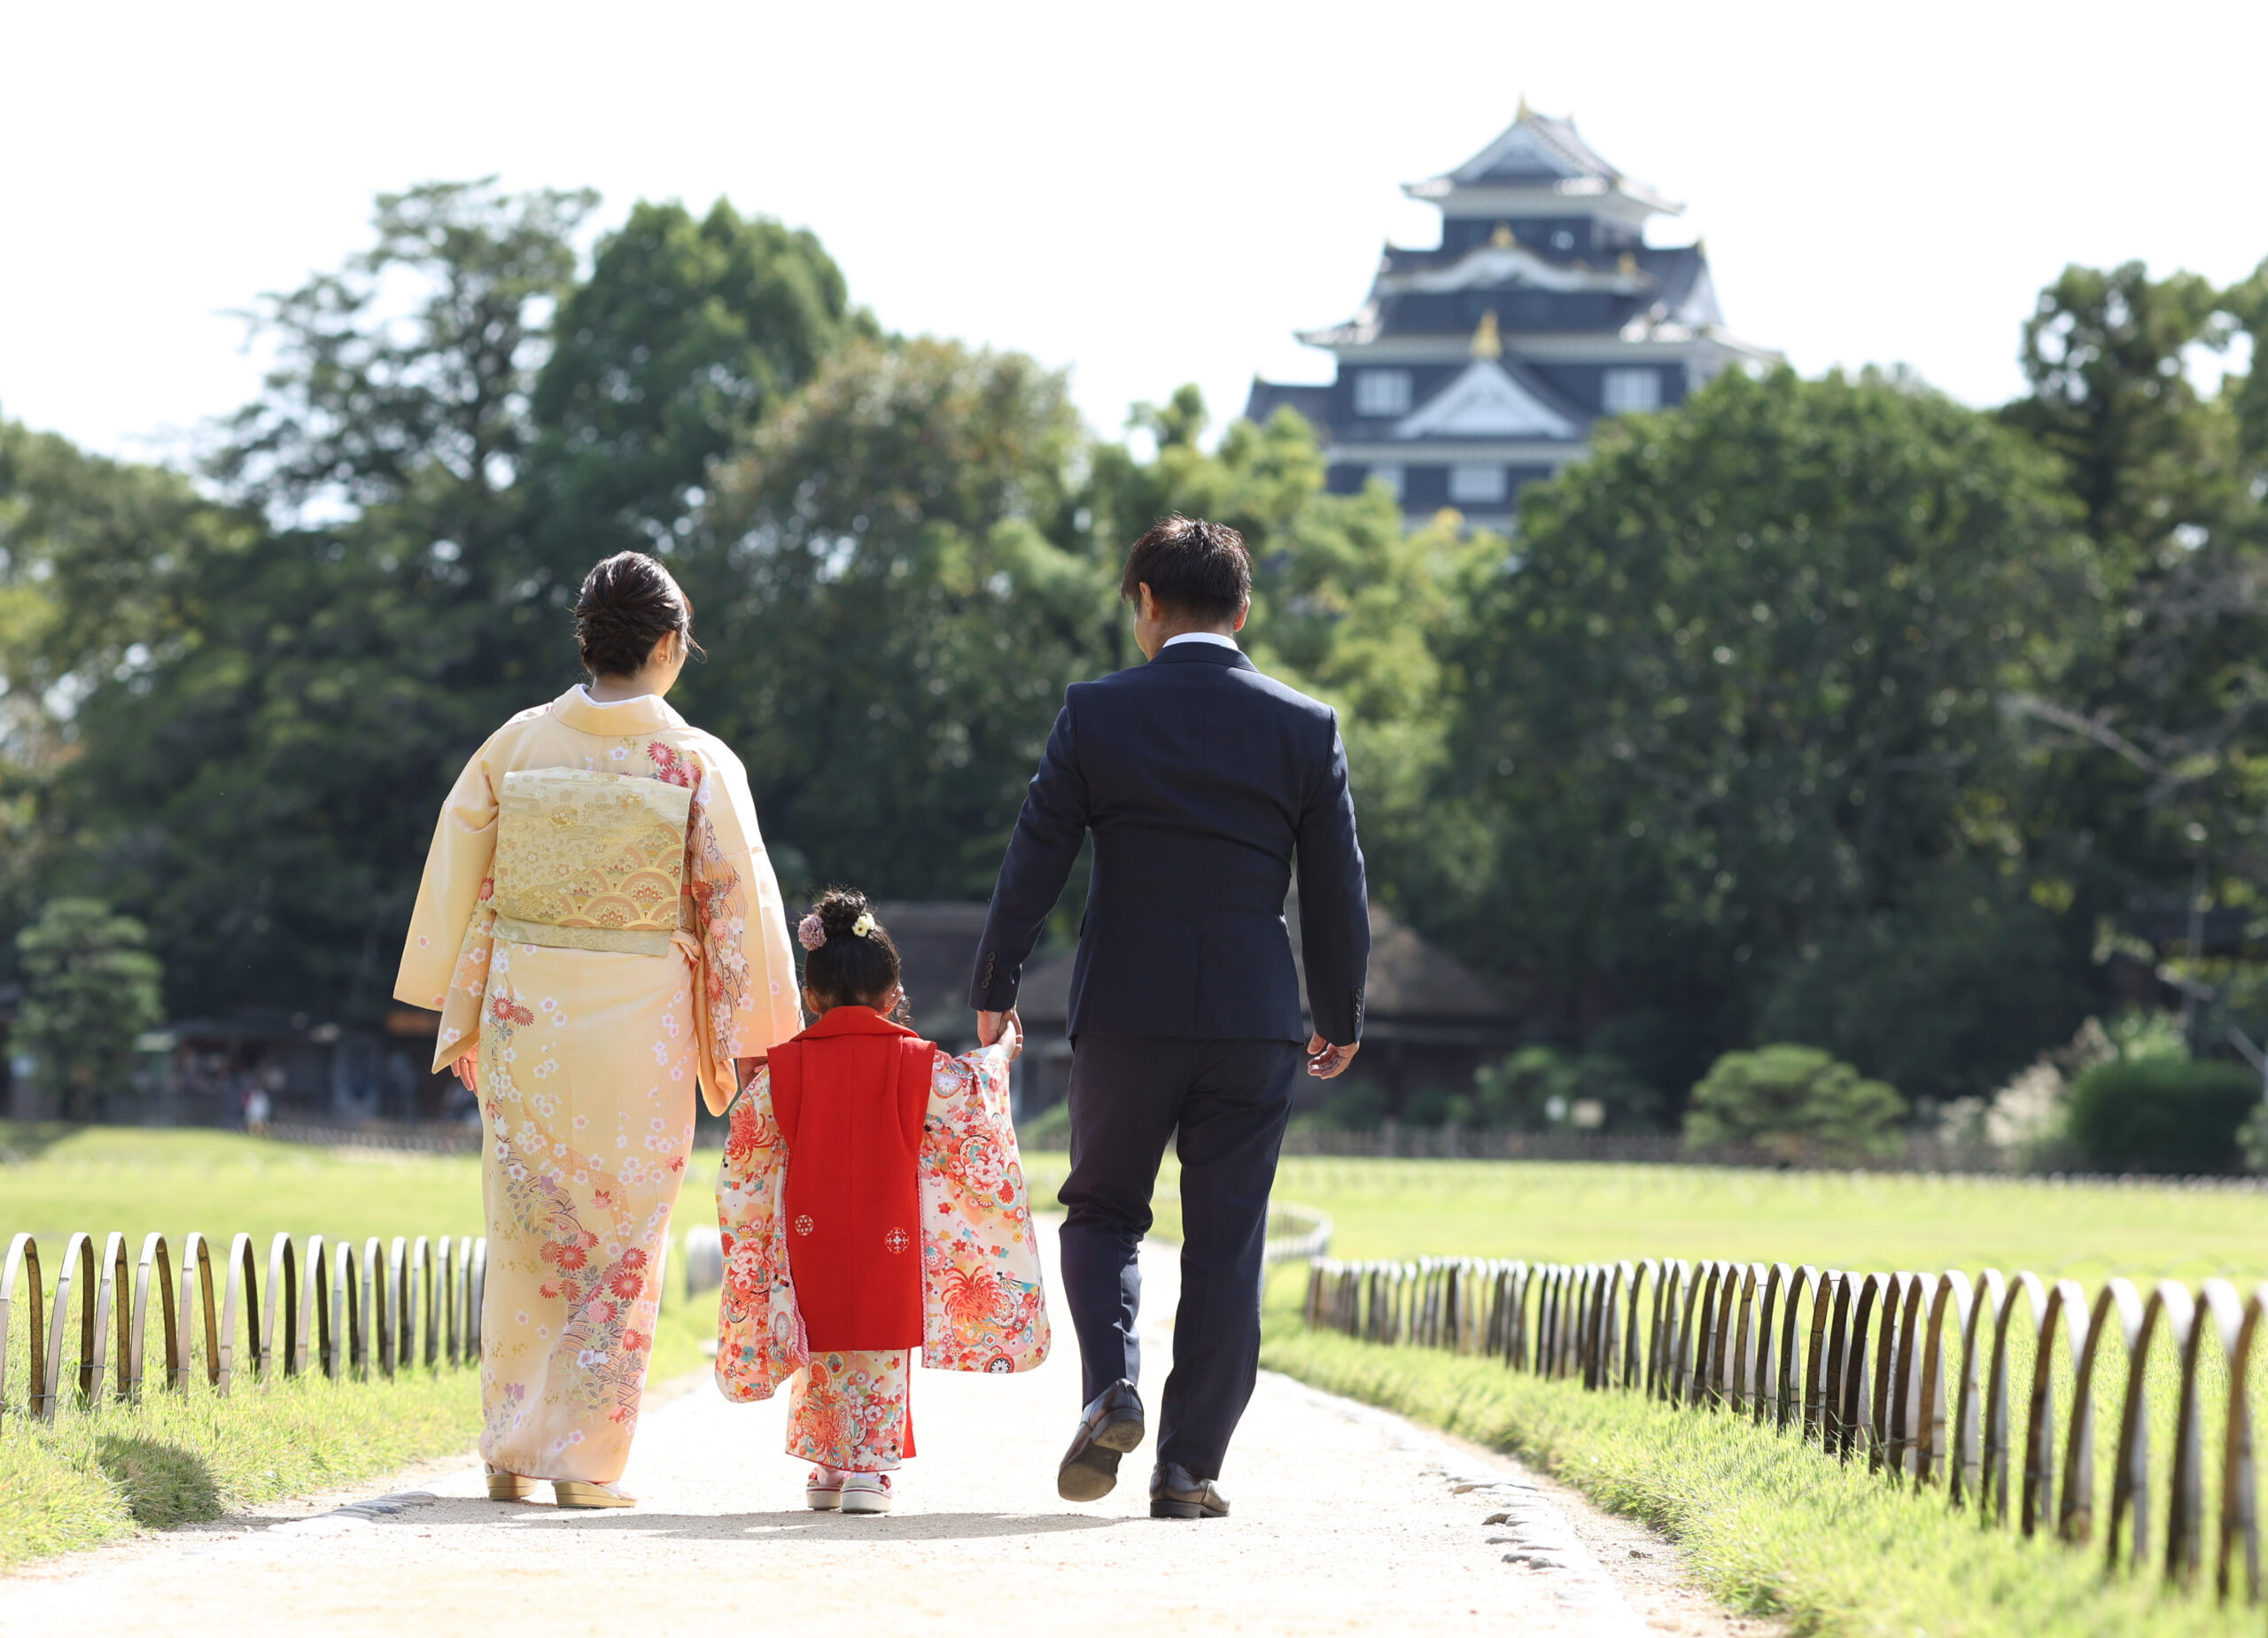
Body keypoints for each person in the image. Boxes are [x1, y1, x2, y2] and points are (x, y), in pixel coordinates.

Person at [967, 515, 1370, 1519]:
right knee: (1229, 1238)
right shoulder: (1303, 723)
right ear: (1243, 609)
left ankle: (1111, 1384)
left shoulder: (1097, 712)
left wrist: (996, 980)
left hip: (1128, 1011)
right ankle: (1189, 1468)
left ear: (1145, 606)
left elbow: (1038, 852)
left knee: (1102, 1209)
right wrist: (1340, 1008)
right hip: (1253, 1016)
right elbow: (1335, 887)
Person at [394, 551, 803, 1510]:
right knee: (622, 1233)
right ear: (669, 645)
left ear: (586, 641)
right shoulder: (696, 761)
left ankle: (508, 1446)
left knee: (527, 1222)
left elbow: (461, 873)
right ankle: (580, 1461)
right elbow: (736, 899)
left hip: (526, 1008)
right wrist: (754, 1033)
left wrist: (455, 1001)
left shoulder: (519, 745)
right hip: (642, 1018)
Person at [712, 889, 1049, 1514]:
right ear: (893, 995)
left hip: (808, 1232)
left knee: (821, 1336)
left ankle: (826, 1467)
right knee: (877, 1344)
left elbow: (746, 1151)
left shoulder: (784, 1070)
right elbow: (974, 1098)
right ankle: (870, 1470)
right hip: (889, 1236)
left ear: (810, 999)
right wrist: (1001, 1051)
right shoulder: (913, 1060)